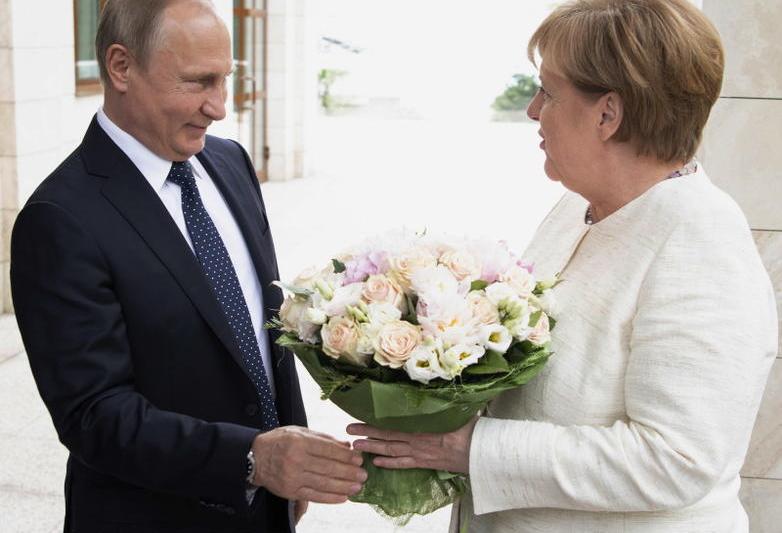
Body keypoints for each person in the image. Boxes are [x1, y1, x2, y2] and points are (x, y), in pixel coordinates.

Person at [347, 1, 778, 531]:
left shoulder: (700, 242)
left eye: (548, 91)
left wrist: (471, 448)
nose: (532, 110)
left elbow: (678, 459)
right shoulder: (580, 208)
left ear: (607, 114)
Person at [10, 1, 365, 532]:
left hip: (265, 507)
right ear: (121, 67)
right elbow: (95, 416)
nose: (219, 107)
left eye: (225, 80)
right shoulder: (60, 218)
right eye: (199, 83)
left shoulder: (230, 163)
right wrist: (254, 459)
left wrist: (289, 454)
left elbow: (261, 332)